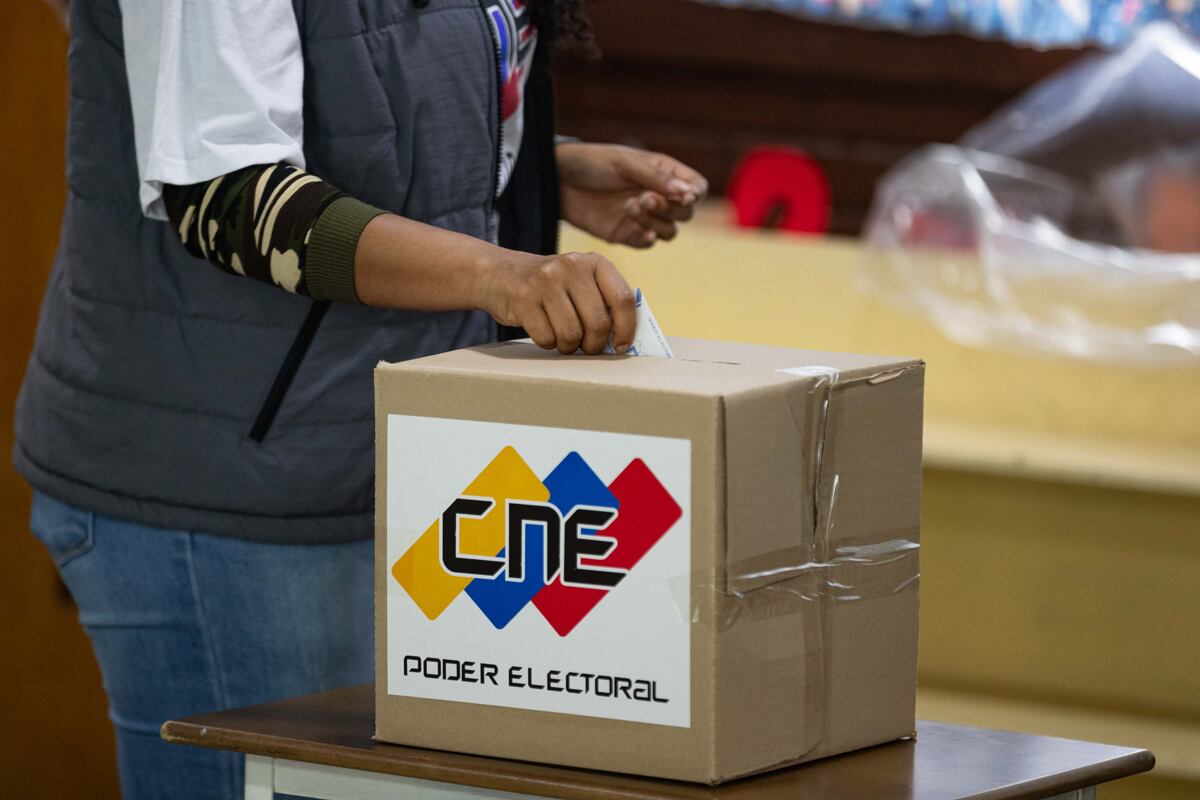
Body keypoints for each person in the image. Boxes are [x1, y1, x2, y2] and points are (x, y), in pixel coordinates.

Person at [16, 1, 707, 797]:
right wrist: (500, 273)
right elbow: (227, 194)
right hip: (231, 492)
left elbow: (360, 85)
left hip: (394, 466)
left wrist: (542, 168)